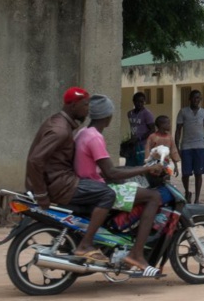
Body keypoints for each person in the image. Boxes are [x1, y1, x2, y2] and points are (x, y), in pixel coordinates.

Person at [26, 86, 122, 260]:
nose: (88, 110)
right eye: (85, 106)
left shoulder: (60, 123)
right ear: (72, 106)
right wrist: (41, 194)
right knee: (108, 194)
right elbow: (35, 160)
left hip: (60, 181)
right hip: (62, 184)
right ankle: (85, 245)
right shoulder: (60, 130)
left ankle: (80, 238)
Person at [74, 94, 165, 276]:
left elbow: (105, 168)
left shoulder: (83, 132)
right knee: (153, 197)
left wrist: (131, 172)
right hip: (97, 188)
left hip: (89, 183)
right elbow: (111, 172)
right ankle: (137, 254)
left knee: (132, 186)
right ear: (108, 116)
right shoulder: (95, 138)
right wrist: (145, 169)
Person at [175, 89, 204, 204]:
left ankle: (197, 198)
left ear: (201, 99)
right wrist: (177, 146)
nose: (196, 100)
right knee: (186, 173)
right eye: (194, 97)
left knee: (199, 173)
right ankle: (187, 192)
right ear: (189, 99)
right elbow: (178, 130)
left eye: (198, 98)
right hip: (186, 146)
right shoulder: (183, 112)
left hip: (200, 146)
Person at [126, 92, 156, 166]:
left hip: (143, 145)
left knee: (142, 166)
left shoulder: (147, 114)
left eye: (141, 102)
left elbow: (152, 130)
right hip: (133, 144)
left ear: (144, 102)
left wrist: (139, 138)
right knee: (130, 165)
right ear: (133, 101)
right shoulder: (130, 113)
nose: (139, 104)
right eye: (137, 101)